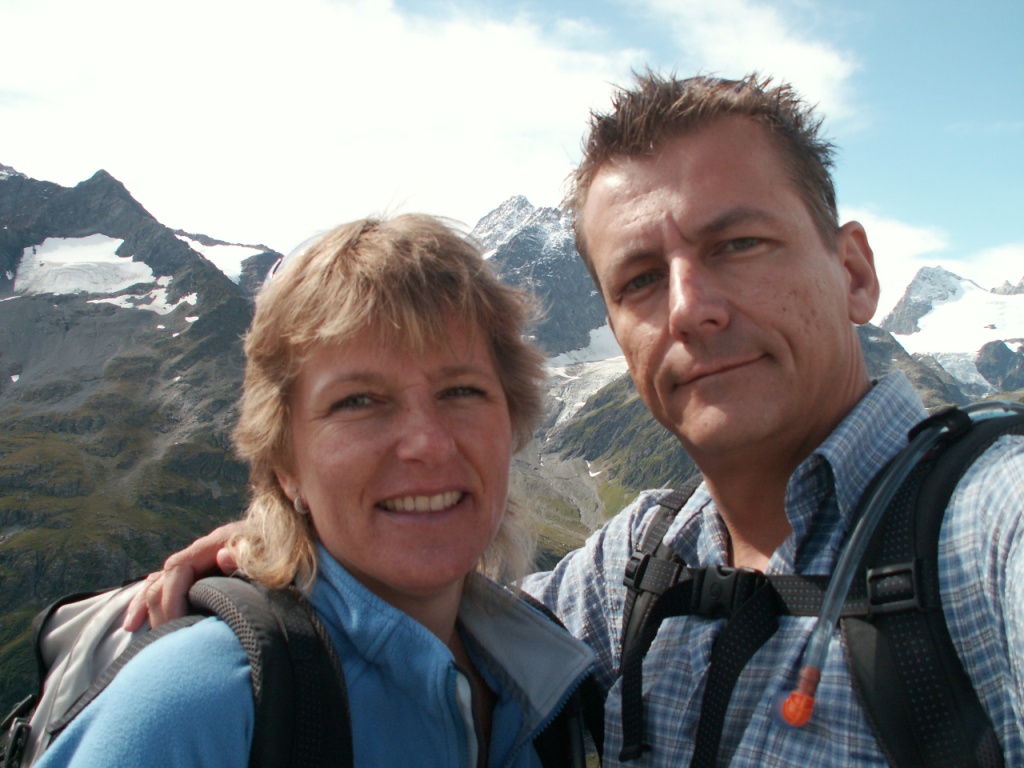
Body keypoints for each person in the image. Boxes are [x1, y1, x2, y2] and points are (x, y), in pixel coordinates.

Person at [129, 73, 1024, 766]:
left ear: (856, 272)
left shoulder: (986, 538)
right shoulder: (635, 572)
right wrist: (292, 553)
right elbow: (436, 620)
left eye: (738, 244)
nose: (691, 308)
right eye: (640, 279)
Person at [37, 214, 595, 767]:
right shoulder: (198, 705)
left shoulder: (541, 663)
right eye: (358, 401)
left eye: (462, 391)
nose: (428, 443)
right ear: (285, 463)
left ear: (511, 422)